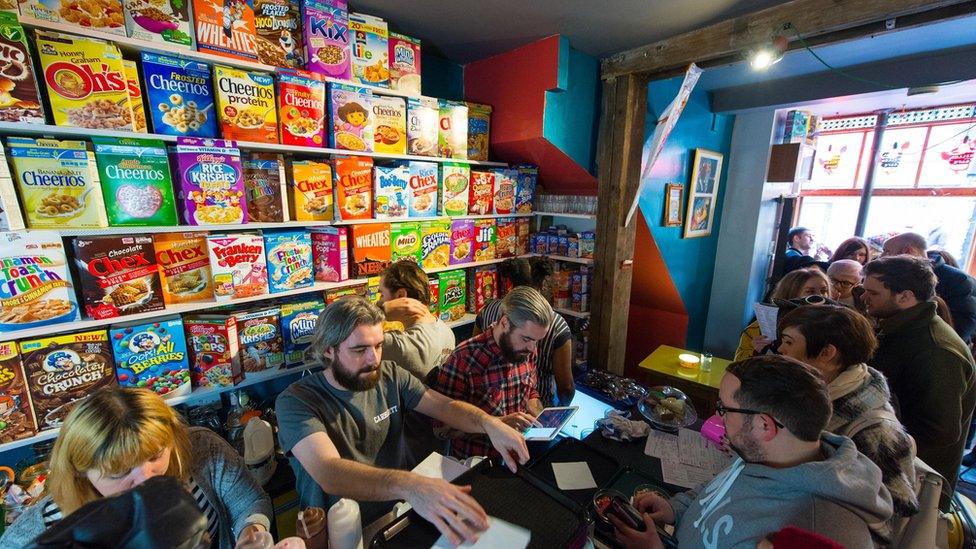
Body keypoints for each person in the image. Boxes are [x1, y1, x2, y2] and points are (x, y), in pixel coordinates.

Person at [275, 297, 529, 546]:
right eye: (360, 349)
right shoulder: (296, 401)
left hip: (396, 512)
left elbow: (442, 405)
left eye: (378, 345)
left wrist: (488, 422)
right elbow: (329, 471)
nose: (374, 359)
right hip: (336, 532)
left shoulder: (390, 375)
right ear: (329, 350)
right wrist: (409, 485)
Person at [610, 355, 892, 549]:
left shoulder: (813, 532)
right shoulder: (763, 454)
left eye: (724, 409)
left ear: (764, 425)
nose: (718, 419)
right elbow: (720, 489)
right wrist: (676, 508)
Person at [1, 387, 272, 549]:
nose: (146, 478)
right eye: (119, 472)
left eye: (156, 455)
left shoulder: (202, 449)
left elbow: (249, 501)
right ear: (79, 471)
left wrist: (252, 530)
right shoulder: (43, 530)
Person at [777, 305, 919, 542]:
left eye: (789, 342)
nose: (780, 349)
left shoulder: (874, 430)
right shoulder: (812, 391)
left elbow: (892, 510)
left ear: (827, 352)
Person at [862, 255, 976, 505]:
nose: (863, 297)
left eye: (873, 292)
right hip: (894, 474)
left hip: (915, 484)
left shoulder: (936, 349)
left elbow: (940, 431)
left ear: (905, 296)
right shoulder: (899, 329)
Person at [433, 286, 551, 460]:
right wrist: (497, 425)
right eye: (526, 339)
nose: (533, 348)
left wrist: (538, 414)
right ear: (504, 323)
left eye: (537, 341)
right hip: (478, 464)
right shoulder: (464, 358)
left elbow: (530, 391)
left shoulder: (527, 350)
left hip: (519, 456)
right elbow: (441, 429)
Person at [473, 257, 575, 405]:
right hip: (537, 408)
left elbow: (476, 350)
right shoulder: (557, 324)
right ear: (542, 283)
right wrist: (560, 410)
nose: (531, 347)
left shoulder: (489, 309)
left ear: (511, 283)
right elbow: (566, 387)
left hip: (491, 405)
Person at [883, 232, 976, 342]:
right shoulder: (894, 276)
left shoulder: (958, 280)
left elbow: (963, 328)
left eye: (887, 252)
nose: (882, 257)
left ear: (907, 251)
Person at [377, 260, 455, 380]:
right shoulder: (446, 330)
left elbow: (345, 331)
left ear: (400, 295)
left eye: (382, 294)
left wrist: (381, 311)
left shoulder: (399, 345)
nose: (379, 301)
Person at [735, 268, 831, 361]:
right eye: (810, 291)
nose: (820, 297)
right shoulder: (760, 328)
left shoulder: (833, 326)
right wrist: (758, 352)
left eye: (824, 291)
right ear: (791, 294)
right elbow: (738, 367)